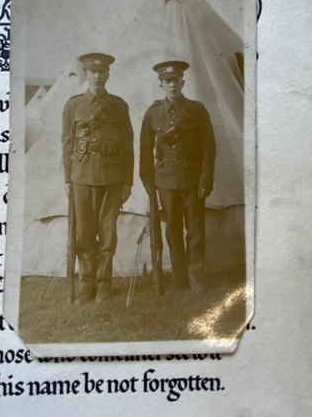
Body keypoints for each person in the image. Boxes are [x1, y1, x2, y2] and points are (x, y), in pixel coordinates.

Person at [62, 53, 134, 305]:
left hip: (112, 177)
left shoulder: (119, 105)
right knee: (84, 235)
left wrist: (128, 181)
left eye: (101, 72)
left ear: (107, 75)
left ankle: (103, 287)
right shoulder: (73, 106)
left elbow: (128, 143)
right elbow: (67, 143)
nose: (96, 76)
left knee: (107, 235)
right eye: (92, 72)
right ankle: (85, 287)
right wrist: (68, 179)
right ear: (84, 74)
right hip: (81, 176)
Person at [140, 60, 215, 294]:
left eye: (176, 80)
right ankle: (180, 280)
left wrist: (205, 181)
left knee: (195, 230)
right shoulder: (153, 113)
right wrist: (148, 180)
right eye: (167, 81)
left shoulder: (197, 110)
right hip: (165, 180)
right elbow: (144, 150)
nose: (172, 85)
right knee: (172, 230)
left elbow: (208, 147)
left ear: (183, 82)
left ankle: (196, 279)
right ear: (160, 84)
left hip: (192, 180)